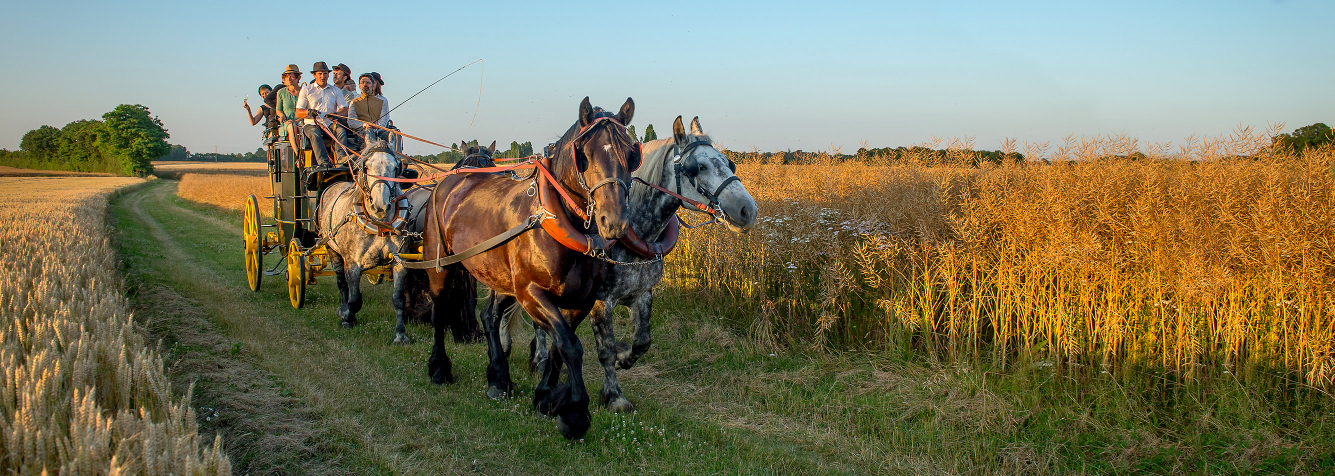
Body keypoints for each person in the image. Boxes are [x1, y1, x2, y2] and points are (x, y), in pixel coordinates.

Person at [296, 61, 348, 164]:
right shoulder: (306, 90)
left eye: (325, 73)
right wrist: (308, 112)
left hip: (329, 125)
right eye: (320, 73)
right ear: (314, 75)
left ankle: (341, 158)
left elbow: (344, 110)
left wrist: (335, 115)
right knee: (315, 134)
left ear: (328, 75)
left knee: (341, 131)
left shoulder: (336, 91)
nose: (322, 76)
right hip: (311, 124)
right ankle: (323, 162)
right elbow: (298, 112)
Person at [347, 72, 390, 146]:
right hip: (361, 133)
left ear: (373, 85)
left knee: (394, 134)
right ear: (359, 86)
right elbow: (351, 122)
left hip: (379, 132)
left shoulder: (382, 102)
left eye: (368, 83)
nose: (365, 85)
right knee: (369, 132)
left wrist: (377, 126)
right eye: (362, 83)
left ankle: (397, 156)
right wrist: (365, 125)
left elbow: (383, 122)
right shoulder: (354, 102)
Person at [275, 64, 304, 150]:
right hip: (287, 122)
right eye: (287, 77)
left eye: (291, 76)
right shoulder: (281, 92)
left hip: (302, 121)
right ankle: (298, 154)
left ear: (297, 77)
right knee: (292, 126)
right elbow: (278, 109)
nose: (289, 79)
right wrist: (281, 115)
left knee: (300, 129)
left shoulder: (304, 91)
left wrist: (297, 120)